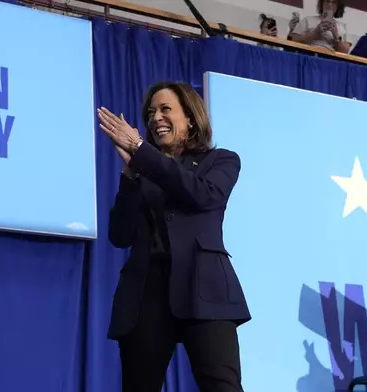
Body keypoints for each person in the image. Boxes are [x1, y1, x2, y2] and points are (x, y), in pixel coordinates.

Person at [97, 82, 251, 392]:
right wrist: (129, 176)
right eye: (151, 112)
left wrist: (142, 152)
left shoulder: (221, 161)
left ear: (191, 118)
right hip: (145, 294)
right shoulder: (142, 169)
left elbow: (201, 195)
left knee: (222, 387)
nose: (156, 118)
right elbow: (119, 235)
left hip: (204, 287)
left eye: (166, 109)